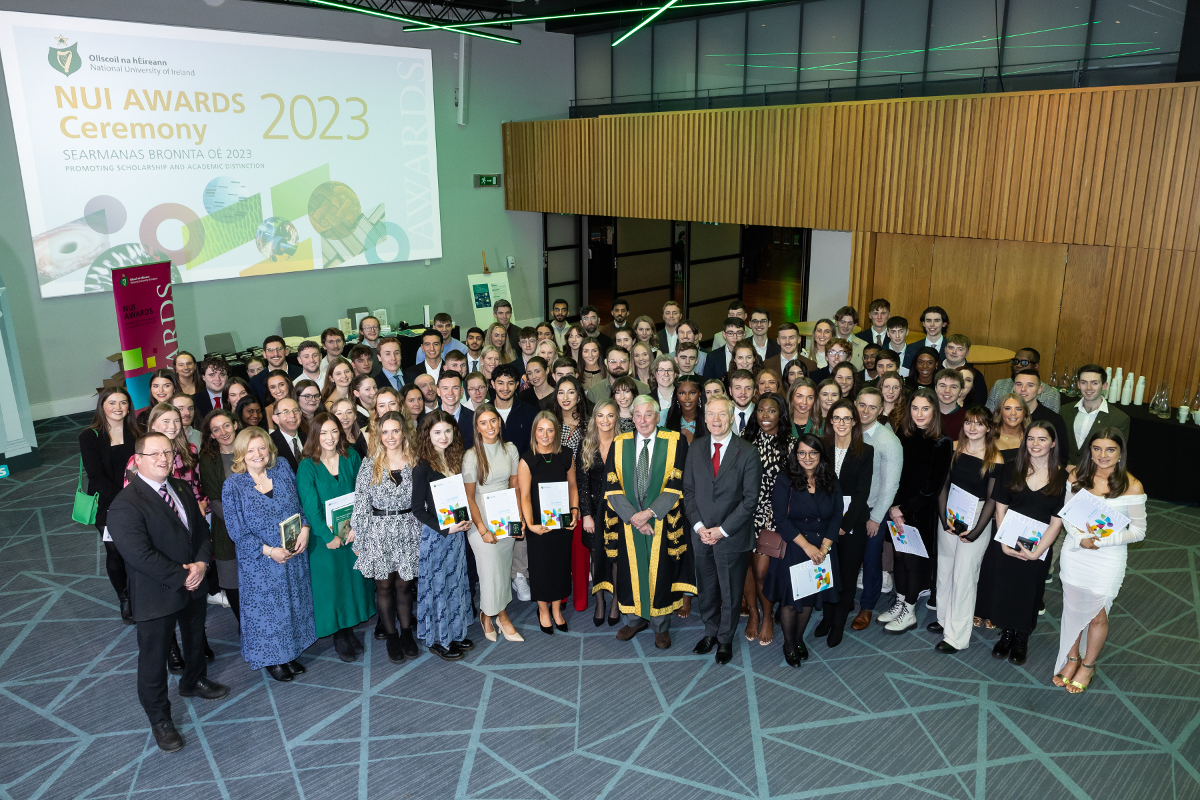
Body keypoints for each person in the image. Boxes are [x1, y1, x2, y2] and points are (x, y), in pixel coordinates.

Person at [106, 431, 228, 752]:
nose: (163, 459)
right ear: (138, 460)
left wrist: (201, 564)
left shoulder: (182, 487)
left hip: (193, 582)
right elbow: (139, 555)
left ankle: (193, 680)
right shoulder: (124, 504)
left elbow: (201, 531)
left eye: (168, 453)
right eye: (155, 454)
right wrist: (183, 575)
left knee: (195, 637)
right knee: (153, 658)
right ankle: (160, 719)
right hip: (156, 592)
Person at [1053, 428, 1146, 693]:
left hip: (1107, 558)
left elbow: (1138, 532)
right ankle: (1072, 658)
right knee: (1072, 609)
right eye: (1096, 448)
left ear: (1120, 453)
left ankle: (1088, 665)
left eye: (1110, 449)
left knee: (1097, 615)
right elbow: (1067, 515)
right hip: (1075, 553)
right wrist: (1080, 537)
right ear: (1089, 451)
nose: (1103, 455)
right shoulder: (1077, 475)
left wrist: (1101, 541)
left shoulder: (1132, 485)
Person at [221, 427, 317, 682]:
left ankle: (290, 652)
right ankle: (273, 659)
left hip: (293, 552)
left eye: (262, 447)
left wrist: (305, 528)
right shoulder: (233, 486)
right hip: (261, 561)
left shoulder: (282, 468)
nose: (257, 454)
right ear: (241, 454)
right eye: (250, 450)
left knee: (293, 604)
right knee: (268, 612)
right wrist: (270, 551)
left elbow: (300, 505)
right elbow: (237, 532)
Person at [602, 396, 694, 649]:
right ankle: (634, 620)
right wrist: (633, 516)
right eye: (638, 415)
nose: (643, 420)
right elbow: (612, 484)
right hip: (629, 521)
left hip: (661, 520)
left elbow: (677, 483)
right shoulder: (620, 442)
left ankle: (660, 624)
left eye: (648, 414)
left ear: (658, 416)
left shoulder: (675, 441)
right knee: (630, 570)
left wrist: (650, 513)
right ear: (632, 417)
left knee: (660, 571)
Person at [975, 421, 1067, 665]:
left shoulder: (1062, 478)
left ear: (1053, 443)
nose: (1035, 444)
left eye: (1042, 439)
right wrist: (1004, 542)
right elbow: (1000, 509)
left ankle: (1022, 637)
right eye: (1031, 438)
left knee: (1029, 591)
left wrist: (1037, 553)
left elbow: (1056, 523)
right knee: (1006, 587)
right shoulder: (1011, 468)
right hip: (1007, 540)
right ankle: (1007, 633)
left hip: (1039, 546)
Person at [682, 395, 763, 664]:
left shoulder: (748, 451)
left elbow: (750, 500)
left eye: (722, 414)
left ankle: (725, 639)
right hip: (701, 535)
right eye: (711, 414)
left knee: (730, 592)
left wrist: (722, 530)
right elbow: (688, 491)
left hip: (731, 536)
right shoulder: (695, 448)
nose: (716, 420)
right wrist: (699, 527)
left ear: (731, 418)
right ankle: (710, 632)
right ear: (705, 419)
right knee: (706, 590)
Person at [296, 413, 375, 663]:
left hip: (351, 533)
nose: (329, 437)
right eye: (323, 433)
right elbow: (310, 507)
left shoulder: (351, 456)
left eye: (334, 431)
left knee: (352, 582)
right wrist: (327, 535)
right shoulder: (307, 466)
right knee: (331, 587)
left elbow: (363, 494)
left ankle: (349, 627)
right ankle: (339, 634)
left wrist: (356, 527)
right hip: (324, 541)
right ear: (314, 435)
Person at [348, 411, 422, 663]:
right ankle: (391, 635)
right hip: (379, 532)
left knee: (404, 585)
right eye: (385, 431)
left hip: (409, 529)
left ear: (404, 433)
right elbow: (361, 504)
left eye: (395, 431)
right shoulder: (370, 464)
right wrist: (360, 538)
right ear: (379, 435)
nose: (390, 437)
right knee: (384, 586)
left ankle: (406, 633)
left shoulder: (415, 461)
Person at [763, 434, 841, 667]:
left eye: (813, 452)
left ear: (821, 455)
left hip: (821, 547)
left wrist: (824, 547)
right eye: (802, 453)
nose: (807, 457)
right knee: (790, 601)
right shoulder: (785, 479)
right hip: (795, 545)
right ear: (795, 455)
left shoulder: (830, 478)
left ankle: (798, 640)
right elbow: (780, 518)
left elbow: (836, 515)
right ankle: (789, 644)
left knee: (809, 597)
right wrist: (807, 547)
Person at [880, 388, 952, 633]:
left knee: (912, 561)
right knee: (899, 558)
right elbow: (893, 474)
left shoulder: (942, 442)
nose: (919, 414)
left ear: (934, 411)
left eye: (925, 408)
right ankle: (900, 602)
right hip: (896, 508)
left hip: (918, 512)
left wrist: (903, 509)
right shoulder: (903, 434)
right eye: (915, 408)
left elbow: (933, 487)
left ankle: (909, 611)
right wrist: (894, 506)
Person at [932, 406, 1003, 653]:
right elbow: (942, 485)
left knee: (964, 577)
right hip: (950, 511)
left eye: (979, 423)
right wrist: (944, 519)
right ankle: (944, 619)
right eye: (969, 422)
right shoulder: (953, 448)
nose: (973, 428)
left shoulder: (995, 458)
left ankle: (957, 637)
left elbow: (992, 500)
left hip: (977, 516)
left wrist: (975, 532)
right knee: (945, 569)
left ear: (988, 428)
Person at [411, 411, 475, 659]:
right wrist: (446, 528)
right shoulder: (422, 466)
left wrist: (464, 519)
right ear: (427, 434)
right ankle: (440, 639)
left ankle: (455, 633)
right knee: (439, 588)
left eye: (448, 431)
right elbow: (418, 509)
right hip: (438, 536)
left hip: (456, 534)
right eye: (437, 432)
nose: (443, 436)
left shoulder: (453, 458)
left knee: (455, 583)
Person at [813, 400, 874, 647]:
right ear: (830, 421)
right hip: (825, 522)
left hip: (852, 524)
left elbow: (862, 493)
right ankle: (827, 617)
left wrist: (844, 525)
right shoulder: (822, 447)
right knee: (827, 573)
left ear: (854, 422)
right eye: (836, 418)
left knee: (848, 576)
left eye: (846, 418)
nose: (841, 423)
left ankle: (838, 623)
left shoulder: (865, 451)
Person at [462, 405, 525, 643]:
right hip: (481, 520)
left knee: (502, 569)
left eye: (493, 421)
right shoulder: (471, 456)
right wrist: (482, 529)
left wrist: (518, 519)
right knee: (490, 571)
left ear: (499, 422)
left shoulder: (510, 449)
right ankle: (501, 616)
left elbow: (514, 486)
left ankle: (487, 614)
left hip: (505, 517)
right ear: (477, 428)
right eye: (483, 423)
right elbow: (469, 498)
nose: (489, 426)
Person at [80, 387, 141, 623]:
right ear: (102, 406)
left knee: (140, 547)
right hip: (107, 503)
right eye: (112, 402)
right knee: (114, 550)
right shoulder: (90, 436)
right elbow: (96, 477)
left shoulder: (138, 431)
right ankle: (125, 598)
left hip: (140, 499)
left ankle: (143, 591)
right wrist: (125, 499)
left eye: (123, 402)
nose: (118, 407)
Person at [517, 412, 580, 633]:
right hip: (538, 526)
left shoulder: (566, 455)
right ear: (534, 432)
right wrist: (530, 524)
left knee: (560, 567)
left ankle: (556, 609)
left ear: (556, 432)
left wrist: (574, 510)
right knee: (541, 569)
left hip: (561, 524)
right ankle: (543, 610)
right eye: (541, 430)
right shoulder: (527, 460)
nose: (545, 435)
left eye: (550, 430)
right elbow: (525, 496)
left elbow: (573, 486)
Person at [851, 387, 903, 630]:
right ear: (855, 404)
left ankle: (867, 605)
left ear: (881, 410)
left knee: (871, 561)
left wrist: (876, 517)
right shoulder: (847, 431)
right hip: (847, 508)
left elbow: (891, 485)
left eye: (872, 407)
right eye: (862, 405)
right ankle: (844, 599)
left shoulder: (888, 441)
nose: (865, 411)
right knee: (847, 557)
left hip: (872, 511)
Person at [741, 392, 790, 645]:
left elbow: (797, 485)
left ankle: (768, 614)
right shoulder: (745, 439)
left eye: (772, 410)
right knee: (746, 567)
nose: (765, 416)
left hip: (772, 516)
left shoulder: (790, 444)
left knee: (761, 571)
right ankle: (754, 613)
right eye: (761, 410)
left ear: (781, 413)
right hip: (743, 514)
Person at [578, 400, 622, 627]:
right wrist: (586, 514)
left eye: (610, 415)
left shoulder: (625, 443)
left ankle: (615, 601)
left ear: (617, 418)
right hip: (594, 512)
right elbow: (582, 483)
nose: (605, 420)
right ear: (594, 418)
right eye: (601, 415)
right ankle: (600, 602)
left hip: (619, 511)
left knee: (616, 558)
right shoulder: (585, 445)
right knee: (596, 557)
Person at [198, 409, 242, 624]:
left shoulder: (251, 449)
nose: (223, 432)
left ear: (235, 425)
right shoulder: (208, 459)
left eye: (226, 425)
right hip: (227, 529)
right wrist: (241, 525)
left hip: (261, 527)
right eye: (216, 429)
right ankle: (243, 625)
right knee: (232, 580)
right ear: (211, 435)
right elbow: (214, 500)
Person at [1060, 364, 1131, 466]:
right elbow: (1058, 443)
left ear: (1104, 386)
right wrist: (1067, 466)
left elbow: (1116, 454)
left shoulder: (1119, 418)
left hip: (1096, 472)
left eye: (1094, 383)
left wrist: (1081, 471)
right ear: (1078, 385)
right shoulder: (1065, 410)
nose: (1088, 388)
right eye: (1084, 382)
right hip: (1064, 469)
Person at [986, 348, 1061, 412]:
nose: (1018, 365)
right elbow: (988, 416)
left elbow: (1050, 421)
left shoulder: (1051, 394)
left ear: (1036, 366)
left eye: (1024, 362)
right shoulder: (999, 385)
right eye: (1015, 361)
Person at [1012, 369, 1069, 448]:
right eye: (1019, 384)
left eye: (1030, 385)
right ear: (1014, 387)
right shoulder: (1005, 416)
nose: (1023, 389)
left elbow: (1062, 453)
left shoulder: (1054, 420)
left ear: (1039, 389)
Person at [491, 363, 538, 455]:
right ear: (493, 384)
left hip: (523, 463)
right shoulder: (483, 412)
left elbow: (534, 446)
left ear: (517, 384)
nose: (505, 388)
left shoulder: (530, 412)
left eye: (510, 383)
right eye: (500, 383)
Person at [250, 336, 301, 402]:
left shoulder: (301, 373)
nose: (275, 354)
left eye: (279, 349)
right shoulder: (256, 382)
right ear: (264, 354)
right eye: (270, 350)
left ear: (286, 351)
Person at [942, 334, 987, 406]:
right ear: (945, 349)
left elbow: (979, 403)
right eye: (951, 347)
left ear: (967, 353)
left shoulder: (975, 375)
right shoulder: (933, 369)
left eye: (960, 349)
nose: (954, 352)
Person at [270, 397, 307, 474]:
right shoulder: (270, 443)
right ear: (276, 419)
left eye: (295, 410)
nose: (292, 415)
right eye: (285, 412)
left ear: (301, 414)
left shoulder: (308, 438)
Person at [437, 371, 474, 447]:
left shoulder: (475, 418)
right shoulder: (427, 420)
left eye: (455, 388)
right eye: (445, 388)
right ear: (438, 391)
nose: (450, 393)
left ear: (461, 391)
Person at [665, 374, 704, 444]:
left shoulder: (708, 418)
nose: (687, 398)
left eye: (692, 393)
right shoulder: (664, 416)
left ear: (699, 393)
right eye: (682, 393)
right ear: (676, 394)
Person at [994, 393, 1030, 462]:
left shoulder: (1031, 437)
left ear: (1024, 413)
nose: (1013, 413)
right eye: (1008, 409)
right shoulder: (988, 436)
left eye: (1018, 409)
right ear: (1000, 412)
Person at [193, 356, 230, 420]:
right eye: (212, 375)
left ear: (227, 377)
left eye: (222, 374)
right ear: (203, 377)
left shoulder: (235, 397)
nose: (217, 379)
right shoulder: (194, 401)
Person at [933, 368, 966, 439]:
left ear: (960, 391)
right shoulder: (924, 415)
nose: (947, 390)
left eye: (953, 387)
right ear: (935, 388)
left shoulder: (966, 419)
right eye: (942, 386)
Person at [651, 355, 679, 424]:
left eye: (670, 370)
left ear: (675, 374)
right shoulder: (648, 399)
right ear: (655, 374)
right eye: (661, 370)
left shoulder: (683, 397)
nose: (666, 374)